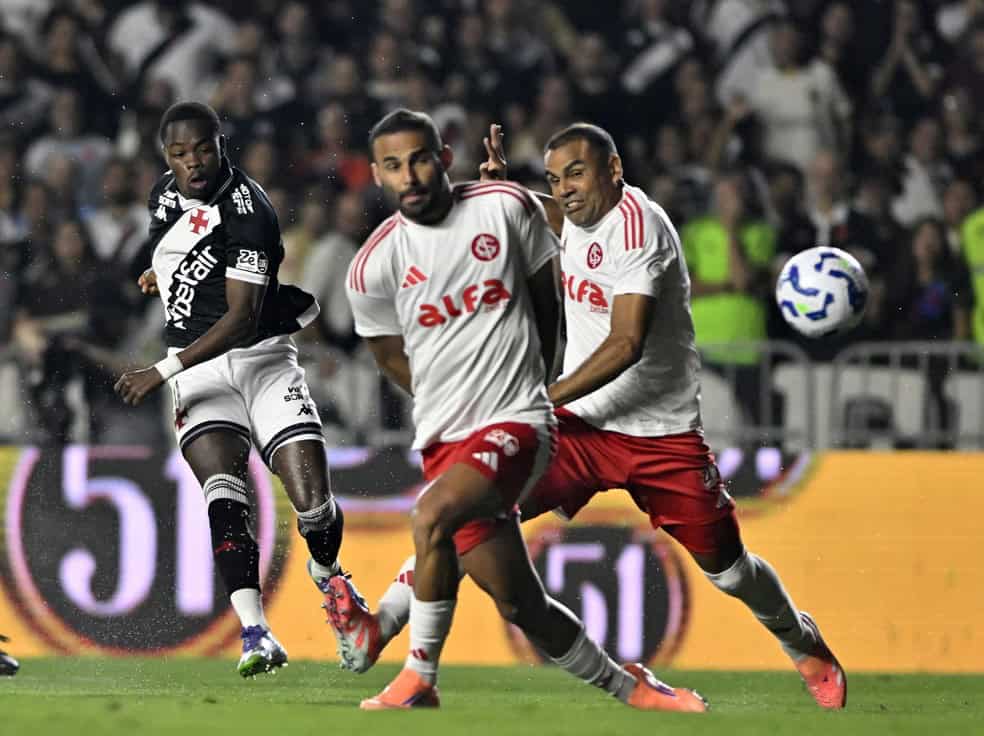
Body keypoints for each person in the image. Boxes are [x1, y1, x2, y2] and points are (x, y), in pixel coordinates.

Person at [328, 122, 847, 710]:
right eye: (555, 179)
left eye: (576, 173)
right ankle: (382, 626)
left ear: (614, 169)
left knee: (729, 572)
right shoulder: (568, 219)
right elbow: (538, 217)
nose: (566, 189)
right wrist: (507, 195)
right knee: (463, 510)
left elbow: (626, 344)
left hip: (660, 435)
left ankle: (799, 640)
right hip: (579, 431)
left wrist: (541, 395)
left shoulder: (640, 227)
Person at [337, 108, 706, 712]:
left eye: (421, 158)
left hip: (519, 421)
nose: (410, 175)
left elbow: (546, 298)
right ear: (376, 176)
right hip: (445, 435)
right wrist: (438, 392)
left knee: (430, 517)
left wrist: (529, 379)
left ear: (445, 157)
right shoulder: (371, 268)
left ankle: (418, 679)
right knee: (520, 604)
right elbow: (387, 354)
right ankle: (632, 688)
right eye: (394, 165)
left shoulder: (504, 207)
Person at [114, 101, 360, 678]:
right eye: (179, 154)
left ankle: (329, 577)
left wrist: (161, 371)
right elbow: (171, 244)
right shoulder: (164, 194)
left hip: (260, 356)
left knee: (313, 505)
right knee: (224, 496)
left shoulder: (250, 212)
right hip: (202, 373)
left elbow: (243, 317)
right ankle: (256, 634)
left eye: (202, 149)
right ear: (165, 156)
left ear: (221, 144)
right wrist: (161, 272)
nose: (192, 163)